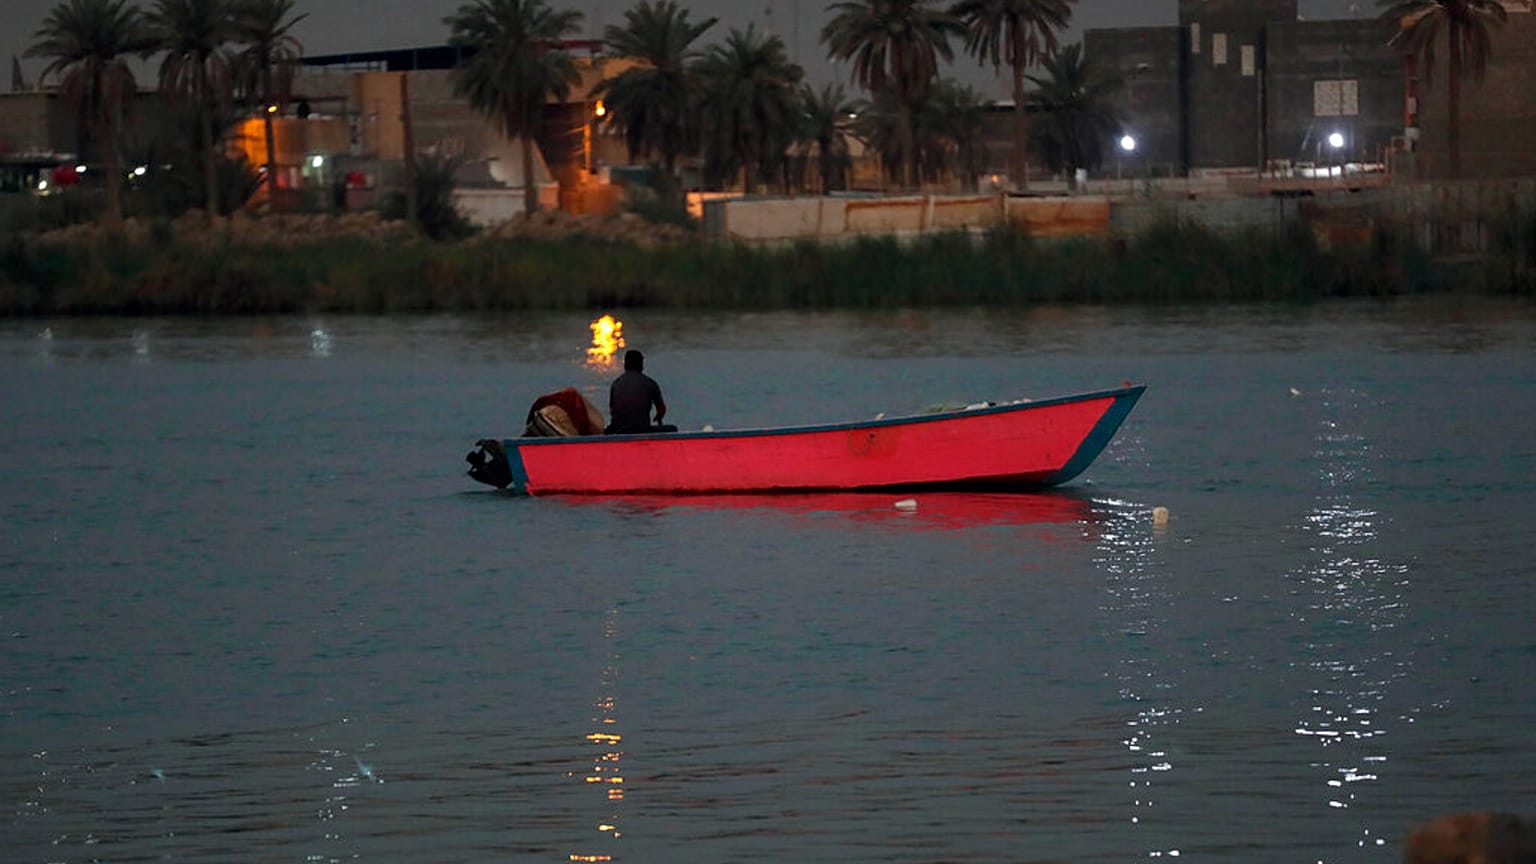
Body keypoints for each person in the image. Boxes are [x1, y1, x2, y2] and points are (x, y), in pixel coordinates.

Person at [606, 349, 673, 434]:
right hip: (642, 429)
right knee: (672, 428)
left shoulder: (616, 384)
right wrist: (658, 418)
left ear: (625, 365)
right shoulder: (650, 383)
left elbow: (612, 410)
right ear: (641, 364)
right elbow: (661, 410)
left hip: (619, 430)